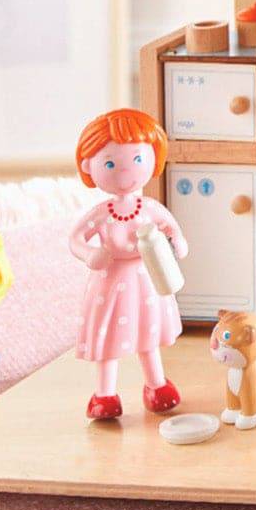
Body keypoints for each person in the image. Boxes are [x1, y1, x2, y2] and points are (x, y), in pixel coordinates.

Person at [68, 108, 188, 422]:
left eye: (137, 159)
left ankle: (157, 385)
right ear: (88, 166)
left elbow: (171, 226)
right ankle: (104, 393)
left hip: (148, 278)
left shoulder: (149, 207)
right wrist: (89, 254)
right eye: (110, 164)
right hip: (110, 283)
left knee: (148, 335)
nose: (126, 173)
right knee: (109, 339)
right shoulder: (101, 213)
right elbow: (75, 239)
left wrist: (177, 241)